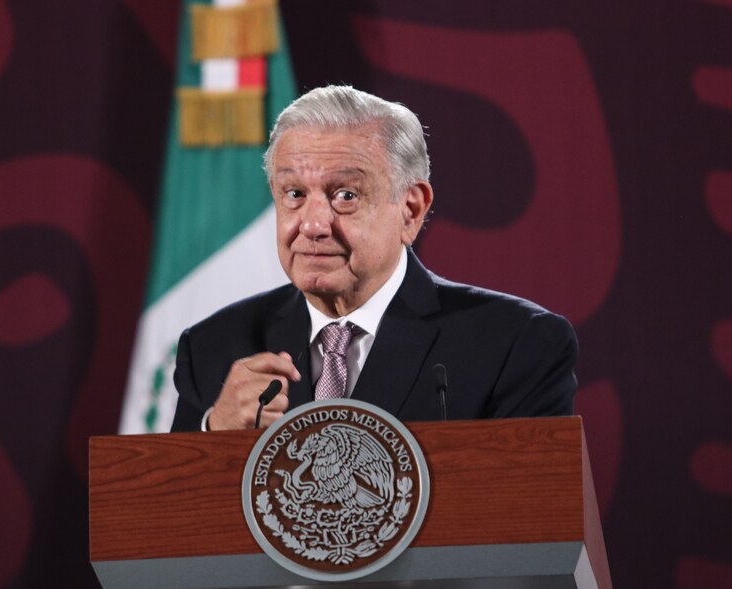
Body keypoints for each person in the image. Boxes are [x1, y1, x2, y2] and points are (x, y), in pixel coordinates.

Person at [171, 85, 577, 432]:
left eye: (345, 195)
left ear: (411, 210)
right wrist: (214, 434)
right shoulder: (214, 348)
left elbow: (527, 512)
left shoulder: (515, 344)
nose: (313, 225)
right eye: (294, 194)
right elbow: (168, 519)